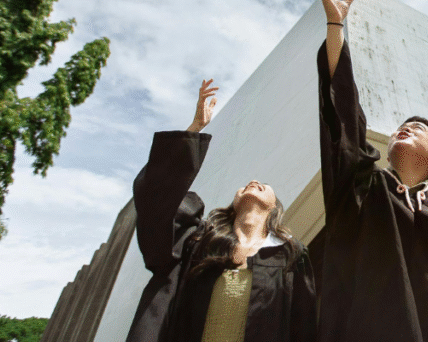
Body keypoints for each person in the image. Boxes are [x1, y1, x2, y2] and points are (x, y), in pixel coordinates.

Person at [314, 0, 428, 342]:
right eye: (400, 127)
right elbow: (342, 114)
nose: (404, 127)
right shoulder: (359, 185)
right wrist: (335, 27)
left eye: (418, 128)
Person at [125, 79, 316, 342]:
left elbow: (303, 327)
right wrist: (194, 130)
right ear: (234, 203)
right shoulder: (198, 240)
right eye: (246, 184)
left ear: (274, 207)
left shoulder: (291, 254)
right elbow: (157, 201)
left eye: (264, 185)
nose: (254, 182)